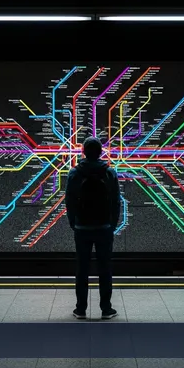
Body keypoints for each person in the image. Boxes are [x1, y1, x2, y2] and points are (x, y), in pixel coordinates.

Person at [65, 137, 120, 319]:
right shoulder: (110, 172)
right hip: (104, 227)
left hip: (82, 228)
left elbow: (70, 200)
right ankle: (106, 309)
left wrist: (74, 222)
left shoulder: (74, 173)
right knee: (105, 268)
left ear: (84, 152)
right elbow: (115, 201)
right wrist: (112, 224)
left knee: (82, 269)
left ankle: (81, 309)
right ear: (100, 152)